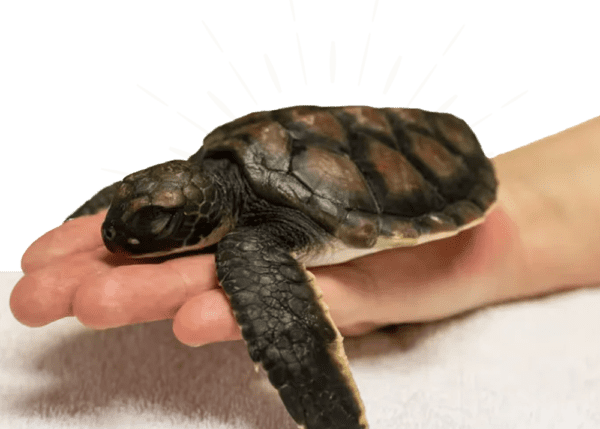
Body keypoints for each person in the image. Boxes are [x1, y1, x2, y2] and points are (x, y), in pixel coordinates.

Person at [10, 115, 600, 345]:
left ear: (203, 216)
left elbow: (266, 283)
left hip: (418, 159)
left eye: (160, 222)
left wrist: (306, 370)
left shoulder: (257, 234)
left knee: (248, 262)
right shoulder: (210, 169)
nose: (123, 235)